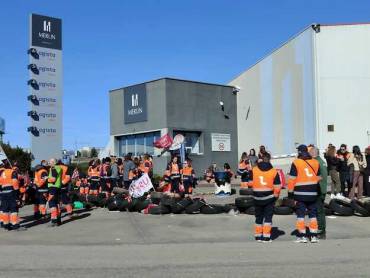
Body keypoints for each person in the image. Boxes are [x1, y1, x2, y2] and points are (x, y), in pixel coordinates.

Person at [288, 145, 321, 243]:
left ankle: (302, 236)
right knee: (313, 215)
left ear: (299, 152)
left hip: (300, 193)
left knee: (300, 215)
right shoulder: (315, 162)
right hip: (313, 193)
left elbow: (292, 179)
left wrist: (290, 194)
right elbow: (319, 177)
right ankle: (314, 236)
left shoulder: (296, 162)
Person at [247, 153, 281, 242]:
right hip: (269, 198)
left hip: (257, 198)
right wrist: (276, 196)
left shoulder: (254, 170)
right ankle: (266, 236)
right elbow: (277, 186)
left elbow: (249, 183)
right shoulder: (274, 171)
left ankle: (258, 236)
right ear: (269, 160)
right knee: (268, 217)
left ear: (261, 159)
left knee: (259, 217)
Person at [0, 160, 25, 230]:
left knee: (5, 210)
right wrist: (17, 195)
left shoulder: (2, 173)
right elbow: (15, 183)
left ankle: (6, 225)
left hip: (4, 194)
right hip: (11, 193)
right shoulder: (12, 172)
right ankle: (15, 226)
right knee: (14, 209)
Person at [309, 146, 328, 239]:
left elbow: (320, 178)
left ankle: (321, 231)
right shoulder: (322, 161)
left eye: (310, 152)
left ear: (313, 153)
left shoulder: (316, 162)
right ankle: (321, 230)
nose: (309, 154)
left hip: (319, 190)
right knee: (320, 211)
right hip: (322, 189)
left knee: (319, 211)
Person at [47, 158, 62, 227]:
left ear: (54, 162)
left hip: (53, 187)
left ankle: (54, 220)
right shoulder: (58, 168)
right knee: (57, 203)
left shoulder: (54, 168)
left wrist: (46, 178)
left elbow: (53, 179)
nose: (49, 163)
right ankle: (58, 219)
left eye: (50, 161)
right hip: (57, 187)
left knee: (52, 203)